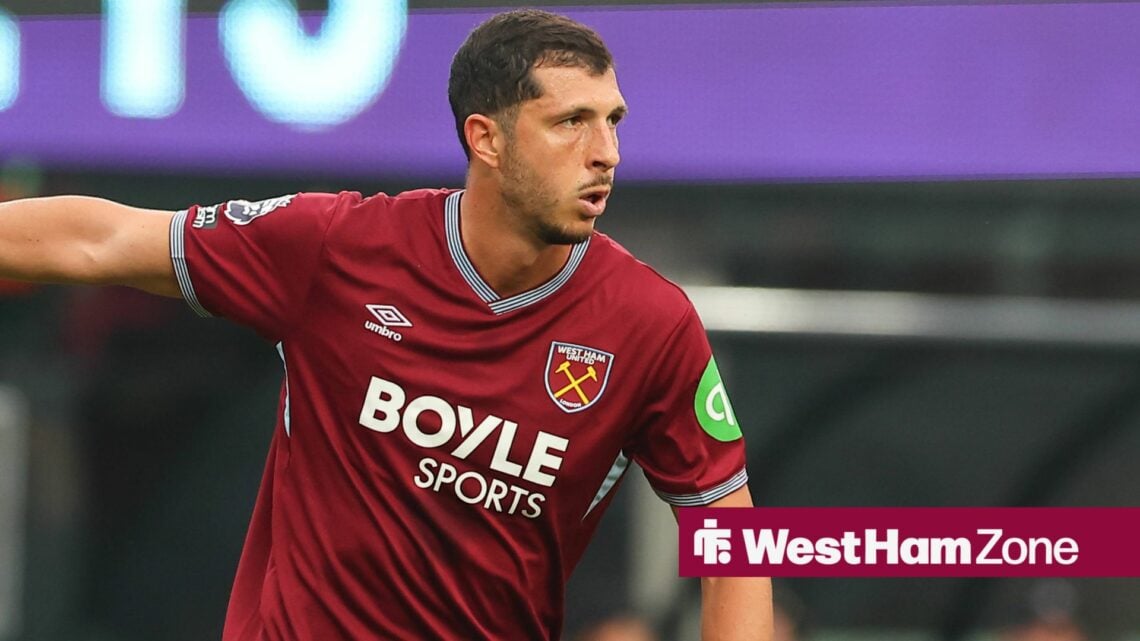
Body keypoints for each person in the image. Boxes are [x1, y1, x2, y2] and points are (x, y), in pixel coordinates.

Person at [0, 9, 771, 640]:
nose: (605, 152)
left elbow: (733, 541)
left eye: (612, 121)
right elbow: (102, 238)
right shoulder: (337, 248)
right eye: (570, 122)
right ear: (486, 138)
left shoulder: (651, 323)